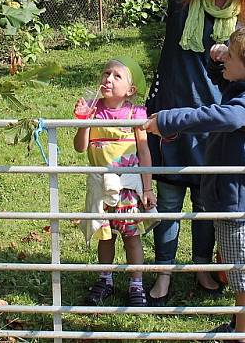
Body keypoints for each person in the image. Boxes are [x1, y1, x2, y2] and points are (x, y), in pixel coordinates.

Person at [82, 0, 245, 305]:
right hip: (166, 120)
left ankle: (201, 269)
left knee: (204, 205)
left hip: (211, 121)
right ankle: (163, 273)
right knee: (166, 202)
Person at [143, 24, 245, 342]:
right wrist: (220, 61)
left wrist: (171, 119)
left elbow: (229, 116)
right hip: (228, 197)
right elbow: (229, 83)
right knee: (237, 270)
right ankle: (239, 326)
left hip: (237, 205)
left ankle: (242, 337)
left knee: (244, 278)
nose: (226, 55)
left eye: (232, 55)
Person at [74, 57, 156, 307]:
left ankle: (136, 283)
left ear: (130, 90)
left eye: (116, 76)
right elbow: (80, 148)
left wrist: (148, 188)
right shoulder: (92, 109)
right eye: (106, 73)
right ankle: (105, 279)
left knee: (132, 237)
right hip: (100, 187)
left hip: (128, 189)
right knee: (105, 236)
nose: (108, 79)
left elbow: (144, 153)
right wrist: (83, 122)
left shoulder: (136, 114)